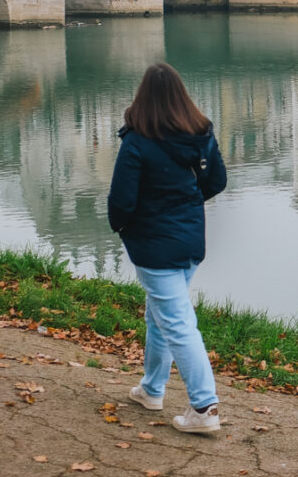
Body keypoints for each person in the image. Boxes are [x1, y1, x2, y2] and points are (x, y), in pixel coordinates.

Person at [108, 63, 227, 435]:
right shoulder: (200, 133)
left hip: (153, 243)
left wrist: (125, 227)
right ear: (181, 96)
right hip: (189, 238)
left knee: (177, 322)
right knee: (158, 314)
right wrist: (187, 203)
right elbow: (216, 181)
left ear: (142, 97)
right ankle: (151, 389)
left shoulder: (138, 140)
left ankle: (204, 408)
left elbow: (121, 200)